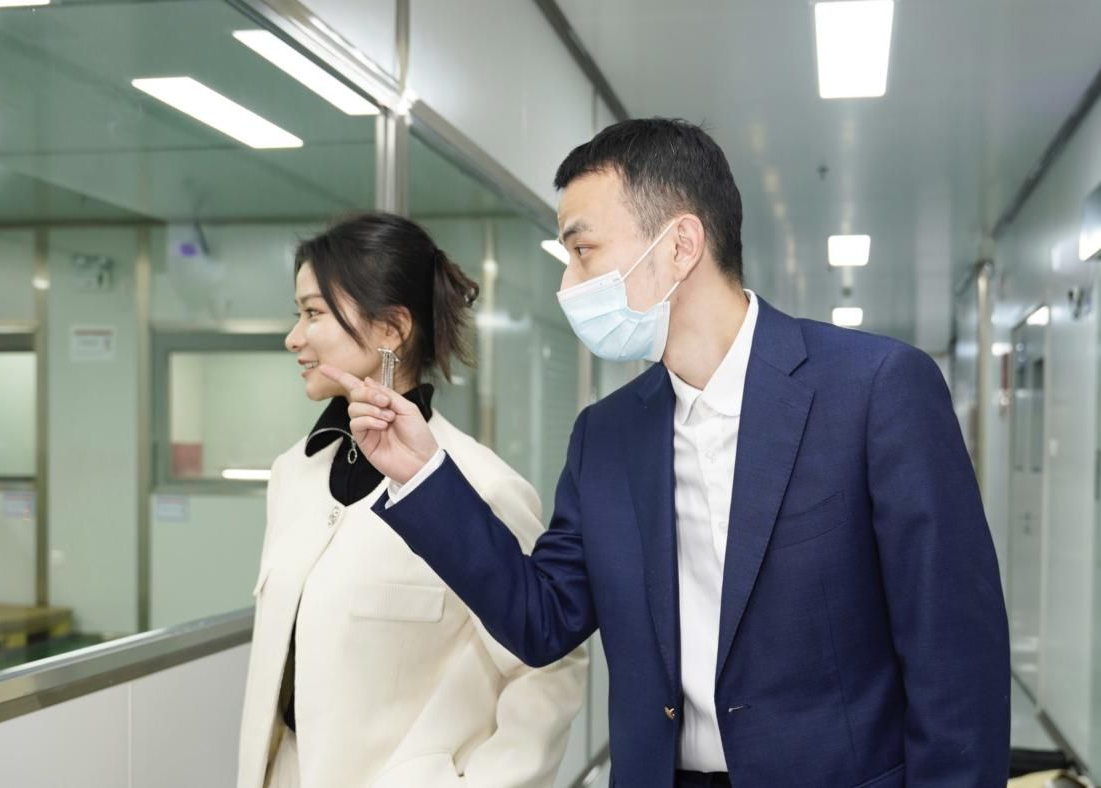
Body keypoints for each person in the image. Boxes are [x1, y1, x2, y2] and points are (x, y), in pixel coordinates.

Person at [327, 119, 1011, 788]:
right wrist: (422, 473)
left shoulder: (874, 389)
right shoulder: (606, 436)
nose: (568, 286)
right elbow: (542, 619)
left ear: (680, 245)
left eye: (583, 251)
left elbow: (955, 657)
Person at [237, 213, 587, 788]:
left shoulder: (482, 486)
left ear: (392, 329)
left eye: (313, 313)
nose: (294, 337)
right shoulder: (294, 473)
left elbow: (549, 669)